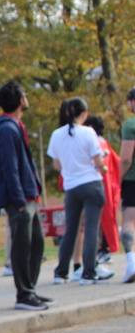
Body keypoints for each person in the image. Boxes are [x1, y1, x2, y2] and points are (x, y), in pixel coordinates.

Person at [0, 82, 53, 311]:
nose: (27, 98)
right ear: (19, 100)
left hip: (28, 194)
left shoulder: (15, 126)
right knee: (22, 247)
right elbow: (9, 167)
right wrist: (18, 199)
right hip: (20, 197)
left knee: (37, 243)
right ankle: (24, 294)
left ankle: (30, 289)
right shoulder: (6, 129)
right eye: (25, 94)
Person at [47, 97, 110, 286]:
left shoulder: (56, 134)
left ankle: (61, 272)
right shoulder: (88, 132)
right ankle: (89, 272)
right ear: (83, 114)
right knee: (91, 228)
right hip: (91, 183)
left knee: (70, 230)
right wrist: (103, 167)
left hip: (71, 186)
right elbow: (97, 161)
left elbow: (57, 165)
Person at [85, 114, 121, 262]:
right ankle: (104, 249)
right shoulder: (105, 143)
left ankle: (102, 249)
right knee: (105, 218)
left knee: (99, 220)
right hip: (111, 186)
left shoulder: (97, 144)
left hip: (100, 185)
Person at [117, 88, 135, 282]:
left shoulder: (130, 125)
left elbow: (126, 159)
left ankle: (132, 263)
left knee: (129, 222)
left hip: (133, 179)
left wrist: (118, 179)